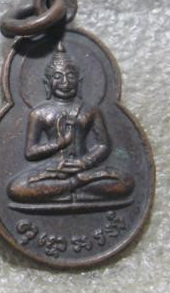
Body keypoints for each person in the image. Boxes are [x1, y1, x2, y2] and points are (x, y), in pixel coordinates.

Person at [7, 42, 134, 206]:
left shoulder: (91, 110)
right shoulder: (39, 113)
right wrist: (60, 143)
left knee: (125, 181)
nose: (65, 82)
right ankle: (76, 186)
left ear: (79, 81)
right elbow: (31, 152)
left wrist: (83, 163)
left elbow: (103, 145)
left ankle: (66, 188)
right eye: (57, 77)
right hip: (53, 170)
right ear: (47, 83)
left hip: (84, 169)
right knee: (16, 188)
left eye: (70, 76)